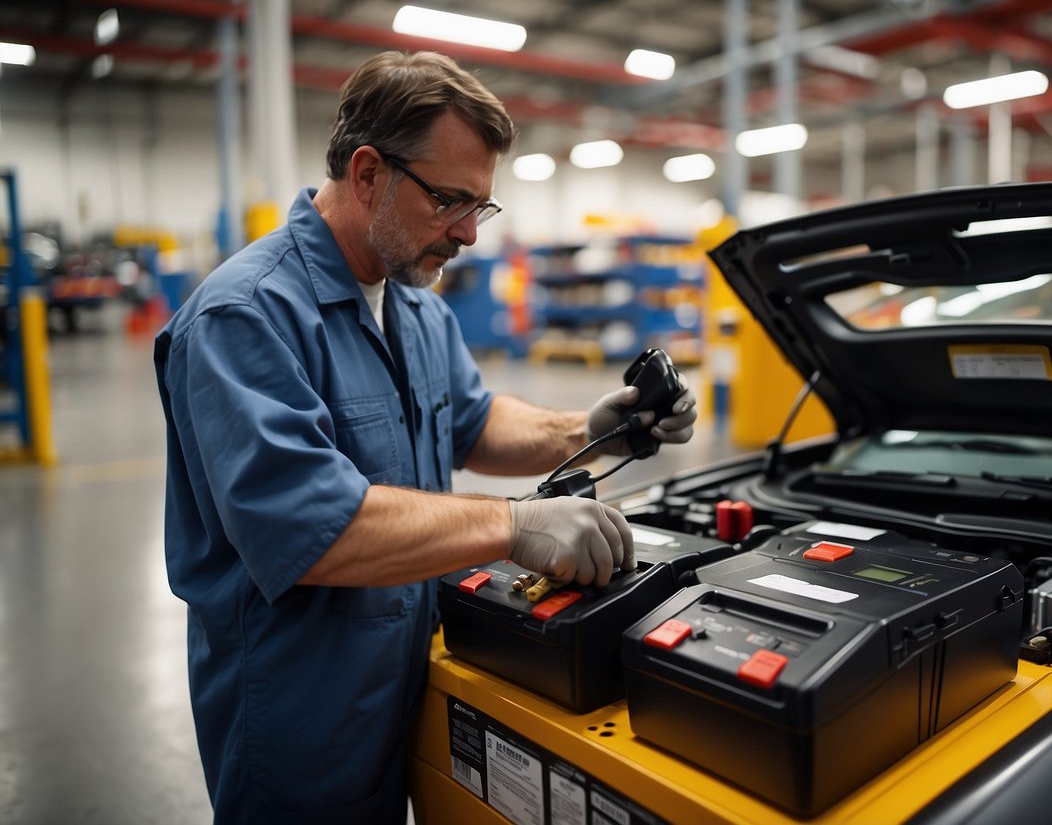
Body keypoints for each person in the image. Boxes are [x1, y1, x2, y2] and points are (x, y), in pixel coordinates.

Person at [154, 50, 697, 823]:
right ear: (369, 172)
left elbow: (471, 423)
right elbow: (316, 532)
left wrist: (591, 428)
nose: (471, 234)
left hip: (408, 669)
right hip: (299, 705)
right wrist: (514, 525)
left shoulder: (412, 299)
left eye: (483, 206)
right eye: (450, 200)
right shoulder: (245, 317)